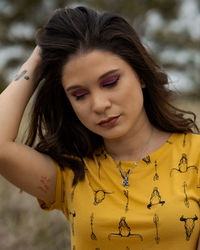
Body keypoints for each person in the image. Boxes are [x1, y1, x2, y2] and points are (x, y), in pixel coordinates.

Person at [0, 5, 199, 250]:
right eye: (80, 94)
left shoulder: (195, 156)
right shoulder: (72, 172)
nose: (100, 105)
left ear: (141, 76)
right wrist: (39, 57)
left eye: (111, 82)